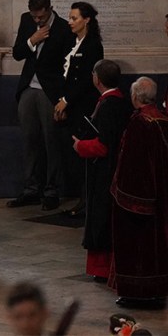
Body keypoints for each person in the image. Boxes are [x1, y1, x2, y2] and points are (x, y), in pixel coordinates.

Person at [8, 0, 73, 211]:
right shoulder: (27, 21)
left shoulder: (64, 29)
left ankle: (51, 190)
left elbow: (68, 69)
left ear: (50, 9)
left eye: (41, 17)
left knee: (51, 142)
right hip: (28, 88)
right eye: (34, 17)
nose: (37, 21)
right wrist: (31, 41)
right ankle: (31, 189)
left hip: (50, 91)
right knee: (29, 140)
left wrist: (63, 99)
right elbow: (17, 53)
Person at [109, 76, 168, 309]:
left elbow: (132, 165)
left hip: (137, 200)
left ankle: (138, 293)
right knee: (158, 247)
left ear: (135, 97)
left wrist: (119, 191)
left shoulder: (140, 123)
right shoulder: (162, 119)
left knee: (138, 248)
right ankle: (157, 291)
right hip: (161, 195)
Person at [72, 59, 131, 282]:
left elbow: (103, 145)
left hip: (104, 172)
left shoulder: (108, 105)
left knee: (101, 218)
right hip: (115, 169)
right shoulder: (121, 102)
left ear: (97, 79)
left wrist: (80, 146)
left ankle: (102, 269)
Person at [54, 1, 104, 218]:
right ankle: (81, 198)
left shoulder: (93, 45)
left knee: (84, 154)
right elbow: (66, 75)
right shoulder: (72, 42)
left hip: (84, 106)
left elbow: (85, 80)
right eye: (70, 17)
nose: (70, 22)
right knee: (72, 154)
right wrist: (62, 101)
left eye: (74, 18)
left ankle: (87, 200)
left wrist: (67, 100)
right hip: (70, 105)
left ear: (87, 20)